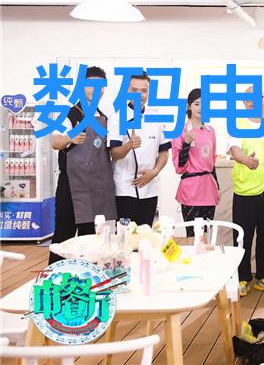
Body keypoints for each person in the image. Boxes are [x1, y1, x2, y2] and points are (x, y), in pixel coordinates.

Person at [49, 66, 117, 265]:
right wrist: (69, 138)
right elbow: (54, 142)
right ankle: (54, 275)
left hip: (96, 187)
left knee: (91, 238)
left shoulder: (104, 116)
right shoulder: (70, 114)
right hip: (72, 185)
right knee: (64, 234)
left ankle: (86, 275)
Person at [228, 87, 264, 296]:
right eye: (248, 98)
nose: (253, 101)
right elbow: (235, 151)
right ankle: (242, 279)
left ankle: (263, 278)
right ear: (244, 103)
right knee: (243, 237)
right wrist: (245, 160)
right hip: (246, 190)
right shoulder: (237, 124)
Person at [108, 72, 171, 226]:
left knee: (146, 234)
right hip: (125, 189)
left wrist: (154, 172)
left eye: (144, 91)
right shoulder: (117, 118)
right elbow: (114, 154)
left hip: (150, 188)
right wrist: (129, 145)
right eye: (134, 90)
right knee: (125, 235)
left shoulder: (156, 117)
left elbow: (164, 151)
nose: (139, 95)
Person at [171, 88, 219, 237]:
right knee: (193, 237)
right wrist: (186, 143)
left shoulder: (210, 131)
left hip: (209, 190)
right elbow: (180, 167)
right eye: (197, 104)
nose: (201, 108)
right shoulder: (181, 131)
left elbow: (212, 163)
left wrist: (217, 187)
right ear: (188, 106)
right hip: (191, 190)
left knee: (207, 236)